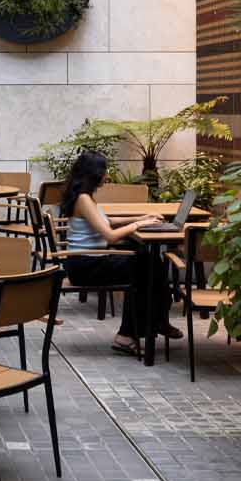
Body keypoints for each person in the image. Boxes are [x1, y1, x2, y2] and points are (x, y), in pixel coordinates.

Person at [56, 150, 173, 357]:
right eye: (105, 171)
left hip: (90, 261)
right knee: (147, 265)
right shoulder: (83, 199)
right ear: (94, 173)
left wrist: (141, 216)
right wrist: (139, 223)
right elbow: (110, 236)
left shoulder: (86, 197)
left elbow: (107, 222)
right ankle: (136, 331)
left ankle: (156, 322)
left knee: (150, 262)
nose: (107, 175)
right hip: (85, 266)